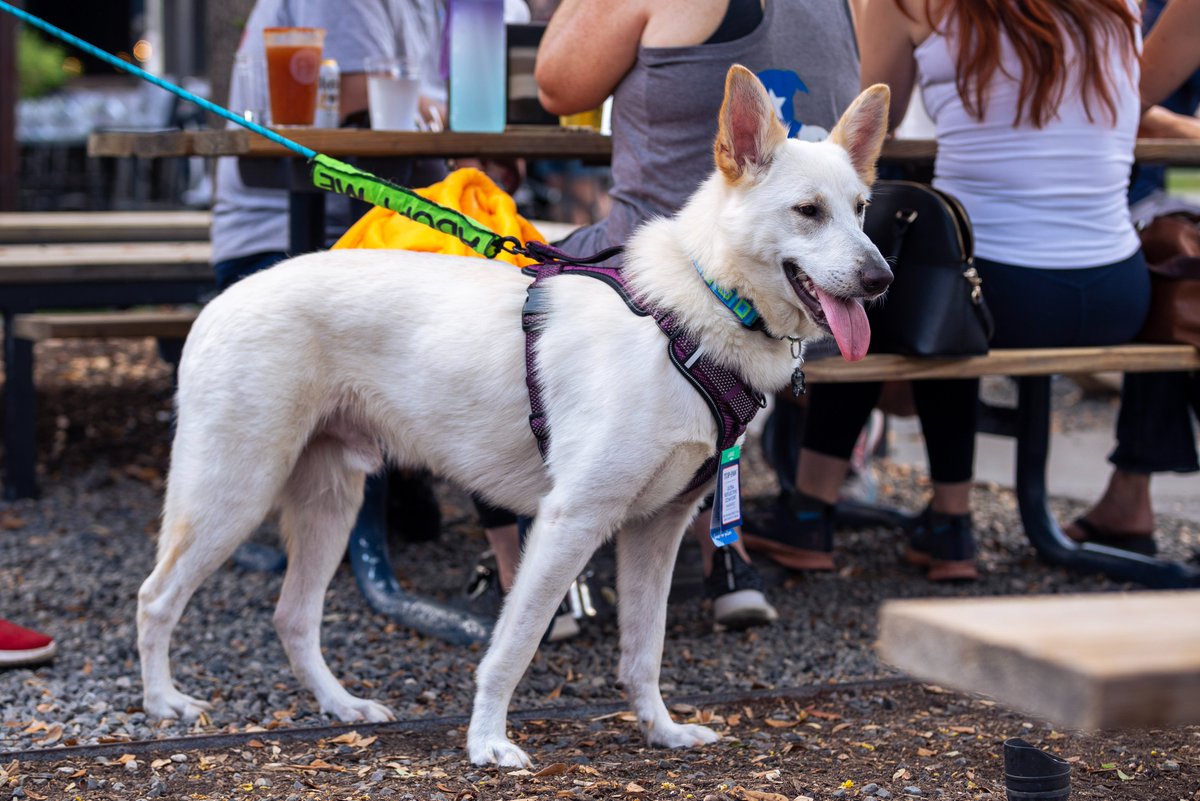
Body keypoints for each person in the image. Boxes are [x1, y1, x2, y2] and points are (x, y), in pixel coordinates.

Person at [744, 0, 1149, 581]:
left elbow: (866, 112)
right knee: (930, 277)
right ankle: (946, 525)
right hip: (1119, 290)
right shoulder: (1122, 6)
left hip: (1001, 292)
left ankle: (813, 509)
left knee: (898, 283)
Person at [532, 0, 863, 626]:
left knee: (501, 299)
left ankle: (526, 562)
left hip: (658, 283)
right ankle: (724, 547)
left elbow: (555, 84)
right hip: (806, 293)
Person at [1066, 0, 1200, 554]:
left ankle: (1128, 495)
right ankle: (1127, 494)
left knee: (1169, 275)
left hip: (1140, 203)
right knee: (1167, 275)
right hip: (1137, 204)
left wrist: (1162, 124)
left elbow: (1115, 104)